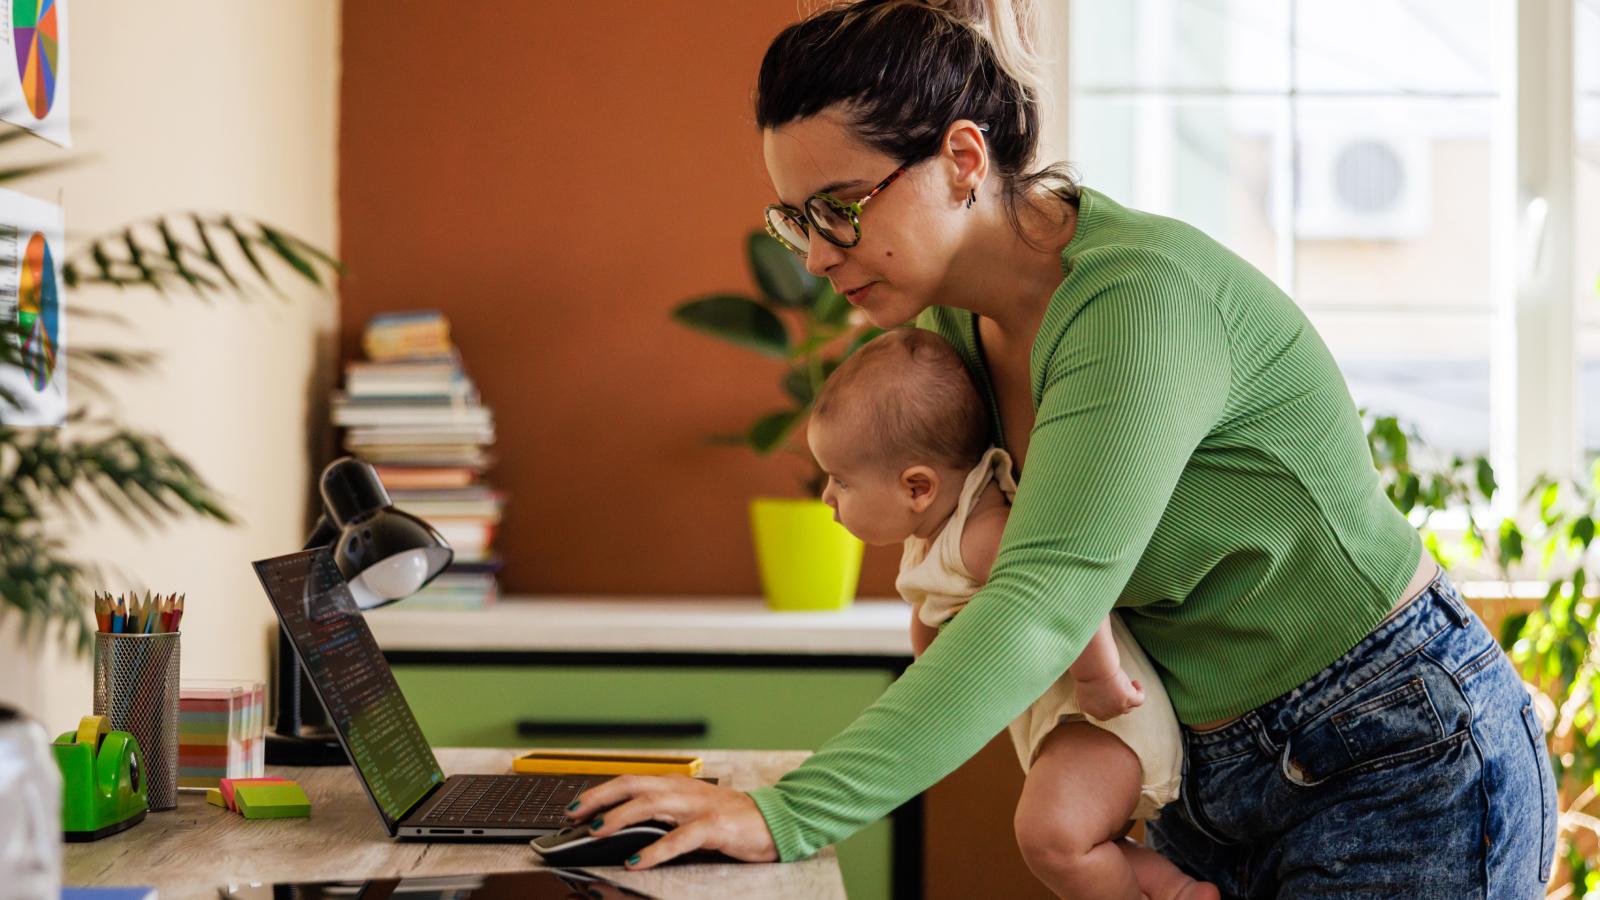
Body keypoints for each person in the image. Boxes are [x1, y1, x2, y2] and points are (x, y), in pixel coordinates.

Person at [567, 1, 1557, 894]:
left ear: (962, 159)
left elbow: (1041, 605)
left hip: (1392, 751)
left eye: (840, 207)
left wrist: (784, 813)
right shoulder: (952, 336)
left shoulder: (1137, 302)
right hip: (1215, 780)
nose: (819, 254)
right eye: (796, 221)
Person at [807, 326, 1214, 899]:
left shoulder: (982, 533)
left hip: (1099, 715)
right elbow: (933, 614)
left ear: (917, 486)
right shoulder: (934, 535)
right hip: (1063, 724)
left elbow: (1069, 587)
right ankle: (1175, 891)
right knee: (1079, 841)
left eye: (841, 480)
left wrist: (1099, 679)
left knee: (1049, 837)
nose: (826, 496)